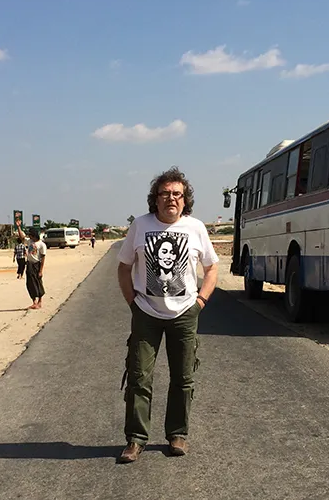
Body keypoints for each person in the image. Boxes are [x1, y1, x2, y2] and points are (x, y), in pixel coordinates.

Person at [115, 166, 219, 464]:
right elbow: (123, 267)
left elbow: (211, 268)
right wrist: (132, 302)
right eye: (165, 193)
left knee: (183, 377)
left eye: (177, 194)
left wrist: (201, 300)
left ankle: (177, 434)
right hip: (146, 312)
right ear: (155, 199)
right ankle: (135, 439)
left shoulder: (196, 228)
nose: (171, 199)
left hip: (185, 313)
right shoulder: (140, 225)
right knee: (139, 377)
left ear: (185, 200)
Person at [16, 222, 46, 309]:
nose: (29, 236)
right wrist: (18, 227)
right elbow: (22, 237)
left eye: (30, 235)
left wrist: (41, 270)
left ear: (34, 235)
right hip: (29, 264)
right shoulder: (29, 242)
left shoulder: (41, 245)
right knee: (30, 283)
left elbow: (43, 258)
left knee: (38, 282)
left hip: (37, 265)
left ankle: (40, 301)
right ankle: (34, 302)